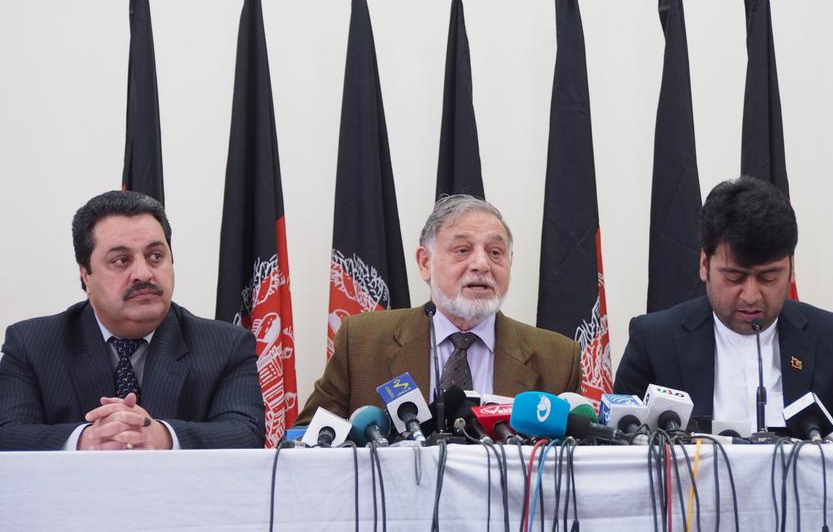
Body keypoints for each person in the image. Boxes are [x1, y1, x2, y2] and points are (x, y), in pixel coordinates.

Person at [0, 191, 265, 450]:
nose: (143, 273)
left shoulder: (226, 345)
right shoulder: (32, 345)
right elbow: (7, 433)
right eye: (121, 260)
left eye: (155, 256)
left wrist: (162, 436)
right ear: (85, 276)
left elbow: (246, 433)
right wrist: (86, 439)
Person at [614, 176, 833, 432]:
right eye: (734, 277)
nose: (751, 295)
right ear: (705, 265)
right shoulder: (654, 341)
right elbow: (618, 454)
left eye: (769, 277)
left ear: (791, 268)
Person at [298, 195, 580, 424]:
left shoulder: (557, 358)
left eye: (495, 252)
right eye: (462, 250)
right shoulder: (361, 341)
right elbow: (306, 440)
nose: (482, 264)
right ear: (424, 263)